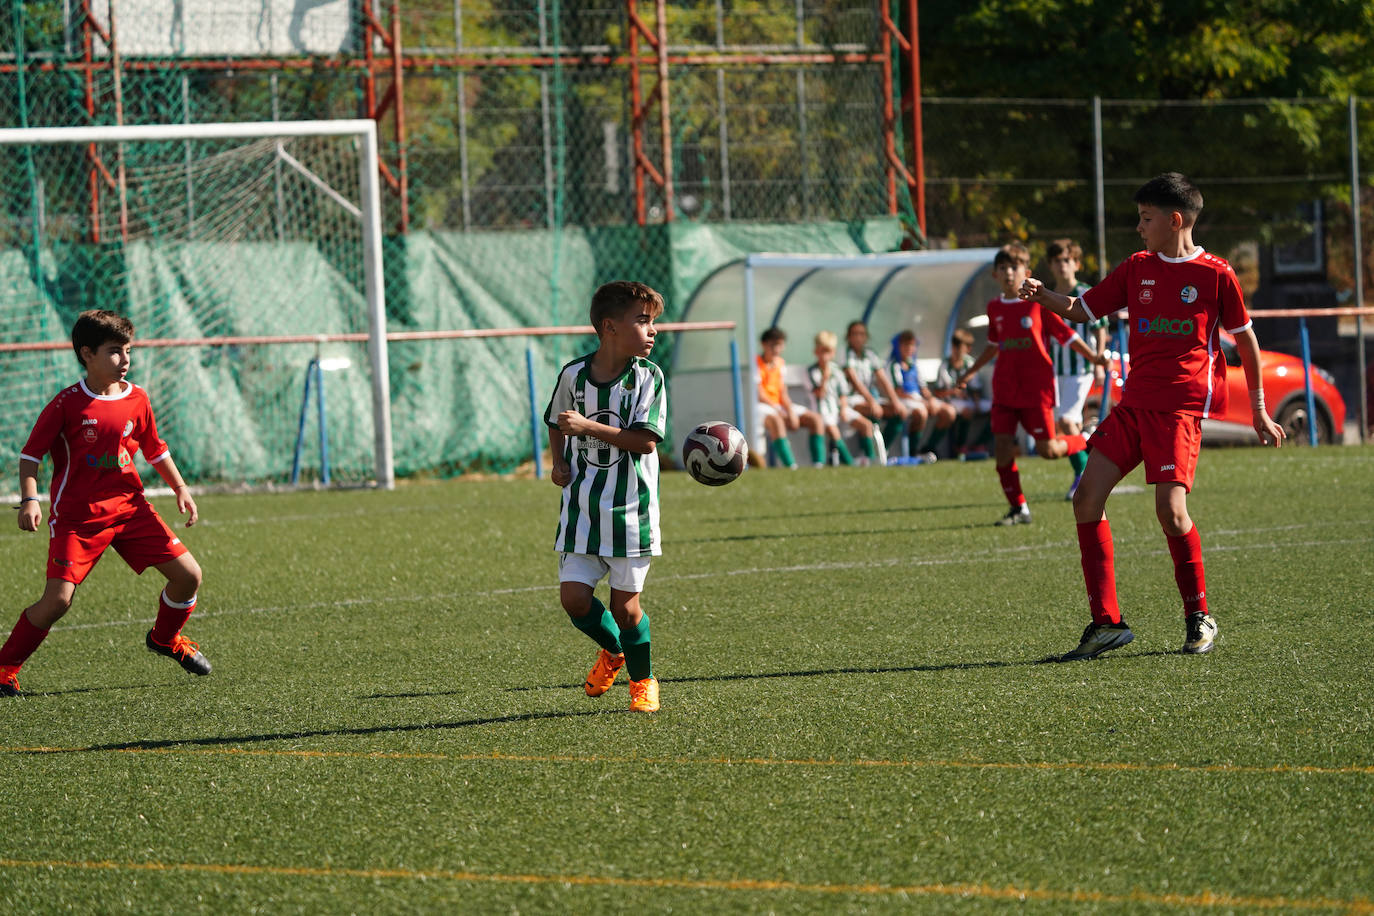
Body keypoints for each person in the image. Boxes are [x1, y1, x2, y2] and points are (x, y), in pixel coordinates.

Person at [1019, 172, 1285, 660]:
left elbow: (1245, 339)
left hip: (1180, 411)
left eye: (1146, 219)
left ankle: (1198, 615)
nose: (1139, 227)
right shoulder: (1136, 267)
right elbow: (1082, 308)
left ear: (1175, 220)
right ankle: (1106, 623)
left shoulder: (1216, 274)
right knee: (1085, 499)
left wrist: (1261, 409)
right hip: (1133, 405)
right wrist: (1041, 297)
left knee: (1171, 511)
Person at [0, 310, 208, 698]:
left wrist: (180, 488)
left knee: (189, 576)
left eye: (128, 350)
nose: (125, 360)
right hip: (78, 519)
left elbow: (154, 449)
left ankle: (165, 639)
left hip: (131, 509)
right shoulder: (67, 404)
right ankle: (3, 667)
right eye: (115, 351)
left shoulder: (137, 398)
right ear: (87, 354)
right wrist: (30, 498)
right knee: (57, 601)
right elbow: (30, 456)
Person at [545, 281, 666, 712]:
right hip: (581, 509)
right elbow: (558, 422)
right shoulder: (573, 375)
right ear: (610, 327)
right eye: (643, 321)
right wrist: (558, 462)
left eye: (653, 322)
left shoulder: (648, 377)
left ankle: (643, 680)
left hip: (630, 512)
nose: (653, 331)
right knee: (573, 600)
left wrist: (589, 428)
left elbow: (645, 442)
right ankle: (614, 651)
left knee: (626, 608)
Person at [955, 242, 1109, 526]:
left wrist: (1094, 358)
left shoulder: (1038, 305)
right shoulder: (994, 307)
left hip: (1036, 388)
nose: (1009, 273)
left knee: (1048, 450)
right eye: (1003, 268)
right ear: (995, 275)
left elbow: (1066, 335)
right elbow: (992, 346)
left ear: (1025, 271)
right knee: (1002, 447)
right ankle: (1019, 508)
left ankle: (1084, 439)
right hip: (1005, 388)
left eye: (1014, 268)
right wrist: (968, 373)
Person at [1044, 238, 1111, 499]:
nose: (1063, 265)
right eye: (1057, 260)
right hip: (1056, 370)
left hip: (1081, 368)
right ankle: (1089, 444)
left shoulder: (1084, 292)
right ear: (1050, 265)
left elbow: (1100, 325)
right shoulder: (1048, 295)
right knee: (1060, 428)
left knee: (1066, 421)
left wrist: (1098, 360)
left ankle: (1083, 475)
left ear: (1076, 264)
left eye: (1067, 260)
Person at [756, 326, 827, 468]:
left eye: (780, 345)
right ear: (764, 345)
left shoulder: (780, 363)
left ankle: (819, 464)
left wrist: (790, 411)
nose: (777, 349)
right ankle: (791, 466)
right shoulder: (756, 363)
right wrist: (778, 409)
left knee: (816, 419)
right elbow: (760, 394)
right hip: (762, 406)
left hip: (778, 405)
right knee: (777, 421)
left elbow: (783, 392)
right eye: (773, 345)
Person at [808, 330, 878, 466]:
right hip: (821, 411)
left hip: (838, 409)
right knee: (832, 428)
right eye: (822, 351)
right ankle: (849, 462)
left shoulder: (837, 370)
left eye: (828, 352)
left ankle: (871, 461)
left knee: (866, 425)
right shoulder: (812, 371)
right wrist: (825, 377)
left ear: (833, 353)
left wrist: (844, 409)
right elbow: (819, 394)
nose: (825, 356)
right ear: (816, 352)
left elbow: (843, 394)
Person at [842, 320, 908, 450]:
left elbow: (883, 379)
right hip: (851, 399)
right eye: (854, 334)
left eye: (861, 334)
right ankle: (870, 454)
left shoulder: (870, 354)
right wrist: (871, 401)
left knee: (899, 412)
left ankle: (883, 450)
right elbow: (855, 382)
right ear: (848, 337)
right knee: (873, 410)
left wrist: (895, 401)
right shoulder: (845, 353)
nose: (858, 337)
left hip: (870, 397)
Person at [929, 328, 990, 457]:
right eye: (955, 348)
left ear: (968, 349)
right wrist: (953, 392)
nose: (957, 352)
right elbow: (938, 392)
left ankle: (980, 443)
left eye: (960, 349)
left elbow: (975, 387)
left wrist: (977, 401)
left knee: (997, 408)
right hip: (950, 401)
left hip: (969, 400)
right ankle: (960, 447)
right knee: (966, 410)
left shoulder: (970, 363)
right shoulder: (945, 365)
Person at [886, 331, 936, 459]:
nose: (909, 349)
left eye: (912, 345)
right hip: (903, 400)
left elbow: (923, 388)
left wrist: (931, 399)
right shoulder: (894, 365)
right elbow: (898, 391)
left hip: (916, 399)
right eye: (906, 345)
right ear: (898, 347)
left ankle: (929, 448)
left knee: (947, 411)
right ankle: (913, 451)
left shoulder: (914, 365)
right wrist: (919, 401)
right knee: (921, 412)